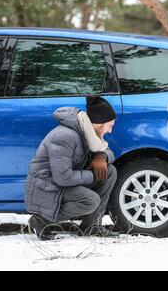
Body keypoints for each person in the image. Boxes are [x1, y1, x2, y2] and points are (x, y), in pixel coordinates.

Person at [25, 96, 118, 240]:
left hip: (61, 183)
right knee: (90, 200)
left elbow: (108, 150)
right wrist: (94, 174)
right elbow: (63, 178)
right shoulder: (65, 136)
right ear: (99, 124)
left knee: (110, 171)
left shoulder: (88, 132)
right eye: (110, 125)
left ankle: (91, 227)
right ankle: (42, 221)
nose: (110, 131)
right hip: (48, 186)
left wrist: (102, 157)